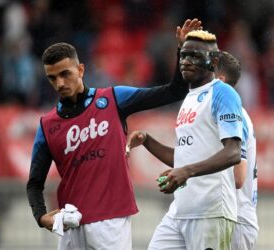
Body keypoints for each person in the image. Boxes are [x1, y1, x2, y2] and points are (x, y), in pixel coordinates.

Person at [26, 19, 202, 250]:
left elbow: (174, 91)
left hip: (111, 218)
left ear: (80, 70)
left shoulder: (113, 98)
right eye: (52, 78)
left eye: (65, 74)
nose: (59, 83)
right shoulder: (47, 125)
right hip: (71, 222)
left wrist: (183, 51)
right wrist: (41, 217)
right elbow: (34, 183)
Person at [126, 30, 244, 250]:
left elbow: (233, 152)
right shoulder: (189, 99)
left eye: (195, 56)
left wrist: (186, 171)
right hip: (180, 210)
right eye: (183, 56)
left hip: (210, 211)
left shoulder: (222, 93)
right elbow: (183, 158)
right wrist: (147, 141)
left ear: (214, 61)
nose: (186, 61)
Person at [214, 51, 259, 250]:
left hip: (236, 219)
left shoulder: (234, 115)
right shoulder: (224, 113)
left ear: (220, 80)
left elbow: (238, 177)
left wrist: (191, 172)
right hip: (226, 216)